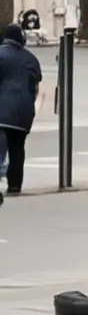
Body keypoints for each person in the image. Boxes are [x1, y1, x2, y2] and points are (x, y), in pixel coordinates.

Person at [0, 21, 43, 203]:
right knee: (18, 148)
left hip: (2, 110)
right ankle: (15, 184)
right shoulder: (31, 58)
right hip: (24, 112)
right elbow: (35, 84)